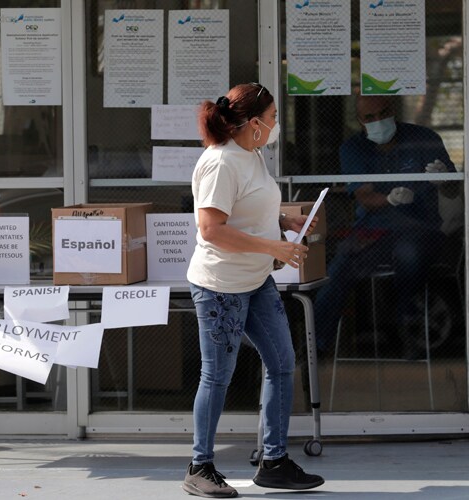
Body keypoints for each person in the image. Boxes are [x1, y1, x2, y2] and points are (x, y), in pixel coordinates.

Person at [182, 82, 325, 498]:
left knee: (282, 362)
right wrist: (272, 246)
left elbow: (249, 208)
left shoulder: (252, 153)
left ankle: (274, 461)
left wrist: (285, 222)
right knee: (217, 376)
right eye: (275, 116)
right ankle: (200, 465)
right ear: (254, 123)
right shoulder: (221, 163)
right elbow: (211, 230)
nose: (278, 124)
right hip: (220, 286)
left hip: (256, 280)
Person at [314, 94, 458, 358]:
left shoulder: (424, 139)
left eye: (383, 113)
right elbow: (365, 197)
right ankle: (315, 346)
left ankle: (407, 330)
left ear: (393, 111)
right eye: (370, 118)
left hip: (420, 227)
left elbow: (453, 190)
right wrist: (390, 199)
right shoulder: (354, 149)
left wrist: (443, 179)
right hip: (374, 230)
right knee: (340, 267)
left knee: (409, 256)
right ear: (359, 121)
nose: (378, 121)